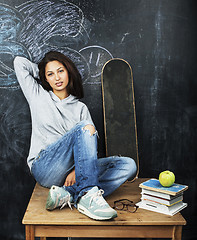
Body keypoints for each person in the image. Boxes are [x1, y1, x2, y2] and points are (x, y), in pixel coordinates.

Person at [13, 51, 137, 220]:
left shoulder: (80, 108)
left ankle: (68, 194)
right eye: (50, 74)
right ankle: (87, 195)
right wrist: (41, 73)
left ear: (69, 72)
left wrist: (74, 170)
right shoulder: (37, 95)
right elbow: (19, 62)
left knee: (128, 165)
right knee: (85, 127)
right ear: (46, 78)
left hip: (71, 175)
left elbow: (89, 148)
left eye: (60, 71)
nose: (57, 77)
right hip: (44, 167)